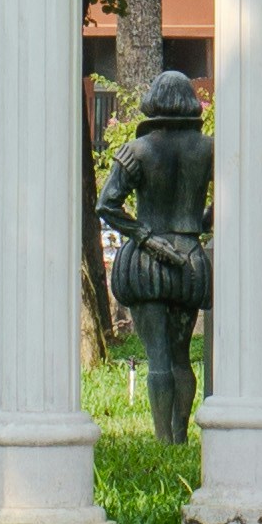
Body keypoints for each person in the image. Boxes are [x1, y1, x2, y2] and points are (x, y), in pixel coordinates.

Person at [97, 65, 216, 449]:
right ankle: (180, 438)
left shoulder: (137, 151)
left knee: (159, 357)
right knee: (182, 356)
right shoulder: (211, 149)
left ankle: (164, 439)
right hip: (191, 261)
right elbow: (232, 200)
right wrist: (201, 221)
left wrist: (143, 235)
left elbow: (107, 205)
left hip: (149, 264)